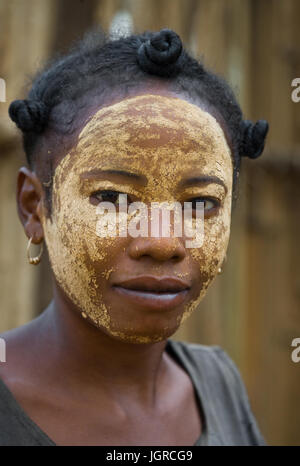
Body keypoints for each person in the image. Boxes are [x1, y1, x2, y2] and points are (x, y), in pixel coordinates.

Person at [0, 28, 268, 446]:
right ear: (35, 207)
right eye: (113, 197)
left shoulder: (218, 383)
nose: (162, 242)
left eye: (200, 202)